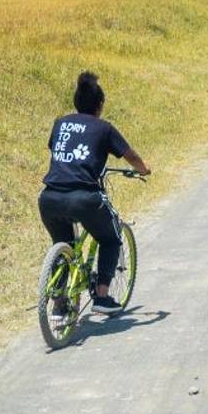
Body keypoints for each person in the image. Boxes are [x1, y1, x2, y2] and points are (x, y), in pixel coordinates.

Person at [40, 72, 152, 317]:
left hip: (49, 198)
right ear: (100, 105)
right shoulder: (104, 128)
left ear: (76, 102)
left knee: (64, 246)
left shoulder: (61, 123)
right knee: (111, 238)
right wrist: (143, 169)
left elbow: (58, 150)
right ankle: (102, 297)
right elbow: (130, 156)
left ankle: (59, 305)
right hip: (84, 197)